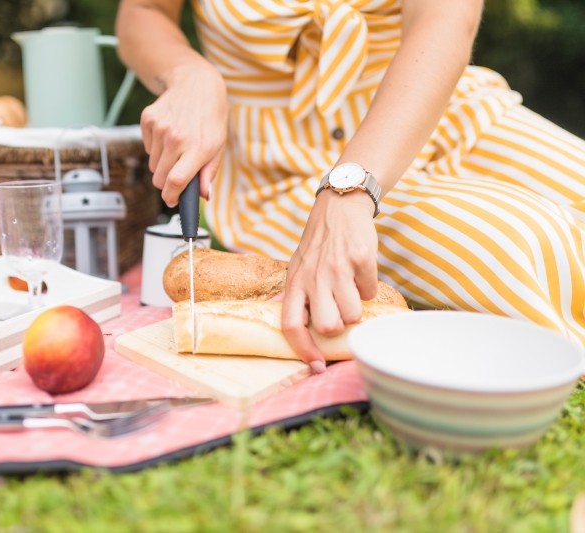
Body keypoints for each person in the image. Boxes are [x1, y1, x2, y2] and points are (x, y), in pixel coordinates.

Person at [115, 0, 585, 372]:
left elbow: (446, 17)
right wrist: (190, 73)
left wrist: (349, 190)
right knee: (527, 244)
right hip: (286, 174)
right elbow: (143, 11)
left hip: (447, 115)